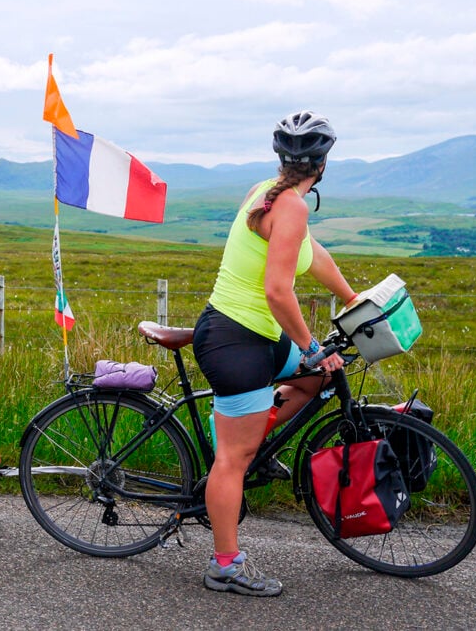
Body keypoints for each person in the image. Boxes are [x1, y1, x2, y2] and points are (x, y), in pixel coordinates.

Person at [192, 110, 359, 597]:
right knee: (232, 461)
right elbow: (278, 293)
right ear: (323, 164)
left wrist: (353, 299)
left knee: (315, 379)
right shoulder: (289, 205)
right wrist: (311, 346)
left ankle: (249, 438)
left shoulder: (273, 193)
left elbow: (312, 254)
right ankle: (225, 565)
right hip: (235, 342)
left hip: (257, 338)